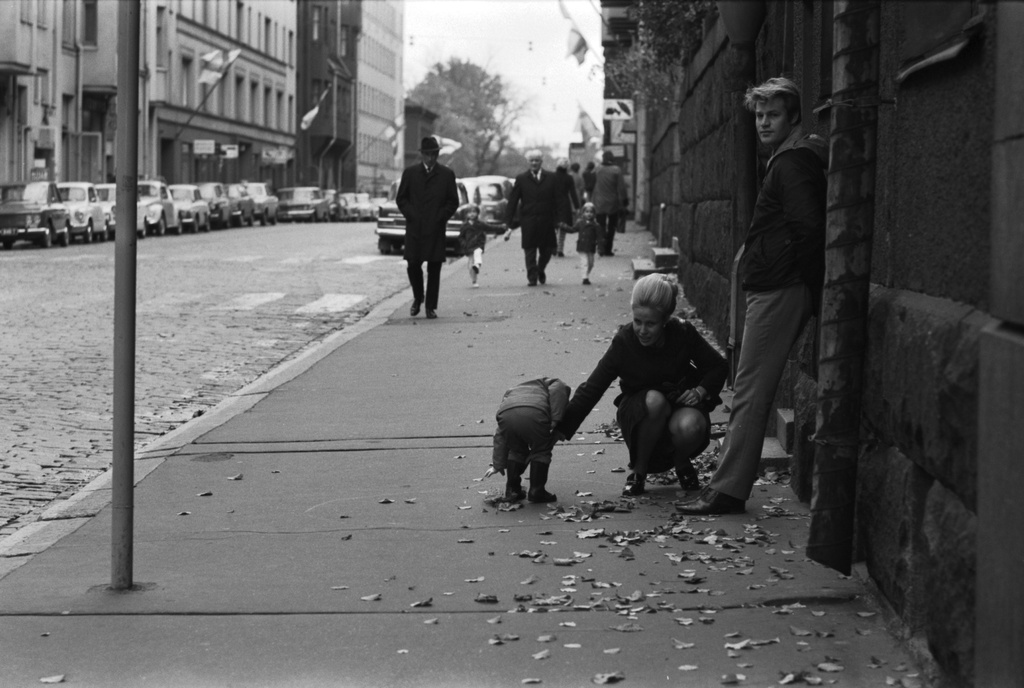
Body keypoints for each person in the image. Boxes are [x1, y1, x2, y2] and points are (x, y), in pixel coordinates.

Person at [678, 77, 828, 516]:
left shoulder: (792, 164)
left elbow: (809, 230)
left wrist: (801, 285)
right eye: (759, 115)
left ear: (793, 116)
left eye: (773, 114)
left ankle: (726, 490)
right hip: (776, 285)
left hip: (780, 287)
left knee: (748, 389)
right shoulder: (785, 160)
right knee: (747, 386)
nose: (763, 122)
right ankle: (725, 485)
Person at [554, 275, 728, 497]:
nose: (642, 330)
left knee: (691, 425)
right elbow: (592, 388)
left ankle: (681, 461)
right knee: (654, 401)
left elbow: (718, 366)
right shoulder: (624, 341)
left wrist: (700, 391)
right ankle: (639, 470)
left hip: (678, 404)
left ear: (665, 320)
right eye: (637, 321)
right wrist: (561, 429)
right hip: (640, 411)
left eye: (650, 323)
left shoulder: (682, 333)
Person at [395, 136, 460, 319]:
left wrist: (441, 217)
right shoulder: (410, 173)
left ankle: (430, 306)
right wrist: (411, 214)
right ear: (422, 155)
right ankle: (418, 297)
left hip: (435, 228)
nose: (431, 158)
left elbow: (453, 201)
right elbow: (401, 198)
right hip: (415, 228)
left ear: (438, 154)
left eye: (434, 154)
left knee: (434, 268)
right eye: (427, 154)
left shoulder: (446, 175)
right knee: (413, 265)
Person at [486, 377, 571, 503]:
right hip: (535, 413)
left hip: (506, 415)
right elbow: (559, 391)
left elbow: (500, 435)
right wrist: (555, 419)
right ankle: (537, 491)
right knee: (541, 450)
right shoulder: (553, 383)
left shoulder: (513, 391)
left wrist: (498, 464)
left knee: (516, 450)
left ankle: (512, 490)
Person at [505, 150, 559, 286]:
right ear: (528, 162)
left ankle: (540, 269)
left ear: (541, 162)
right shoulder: (521, 179)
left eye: (537, 160)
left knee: (547, 250)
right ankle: (532, 277)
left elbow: (558, 200)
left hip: (547, 220)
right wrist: (508, 222)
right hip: (528, 220)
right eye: (531, 160)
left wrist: (559, 220)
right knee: (530, 250)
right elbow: (513, 200)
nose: (534, 163)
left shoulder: (551, 177)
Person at [591, 151, 628, 256]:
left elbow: (591, 183)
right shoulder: (616, 170)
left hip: (599, 202)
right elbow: (621, 187)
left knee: (600, 225)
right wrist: (624, 200)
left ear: (603, 158)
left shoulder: (597, 169)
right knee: (611, 227)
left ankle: (601, 247)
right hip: (613, 202)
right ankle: (608, 249)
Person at [554, 158, 580, 258]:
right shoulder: (569, 178)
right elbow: (573, 193)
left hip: (553, 203)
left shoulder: (552, 176)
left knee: (553, 226)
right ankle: (560, 249)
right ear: (567, 166)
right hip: (564, 204)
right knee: (563, 228)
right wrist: (577, 206)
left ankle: (553, 247)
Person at [458, 203, 488, 288]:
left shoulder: (480, 224)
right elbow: (460, 237)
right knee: (471, 263)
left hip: (478, 245)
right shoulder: (464, 226)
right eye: (469, 212)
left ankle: (477, 265)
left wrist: (503, 227)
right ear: (466, 214)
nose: (472, 214)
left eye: (474, 212)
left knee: (477, 252)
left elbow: (490, 227)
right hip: (469, 246)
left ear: (477, 213)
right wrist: (464, 244)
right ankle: (474, 280)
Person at [572, 202, 600, 285]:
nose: (589, 214)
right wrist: (564, 226)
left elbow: (599, 237)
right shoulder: (580, 223)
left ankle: (586, 274)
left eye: (591, 212)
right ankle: (585, 278)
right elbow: (572, 229)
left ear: (594, 214)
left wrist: (601, 248)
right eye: (587, 212)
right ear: (583, 213)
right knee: (584, 262)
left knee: (591, 264)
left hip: (591, 247)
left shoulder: (595, 225)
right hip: (582, 246)